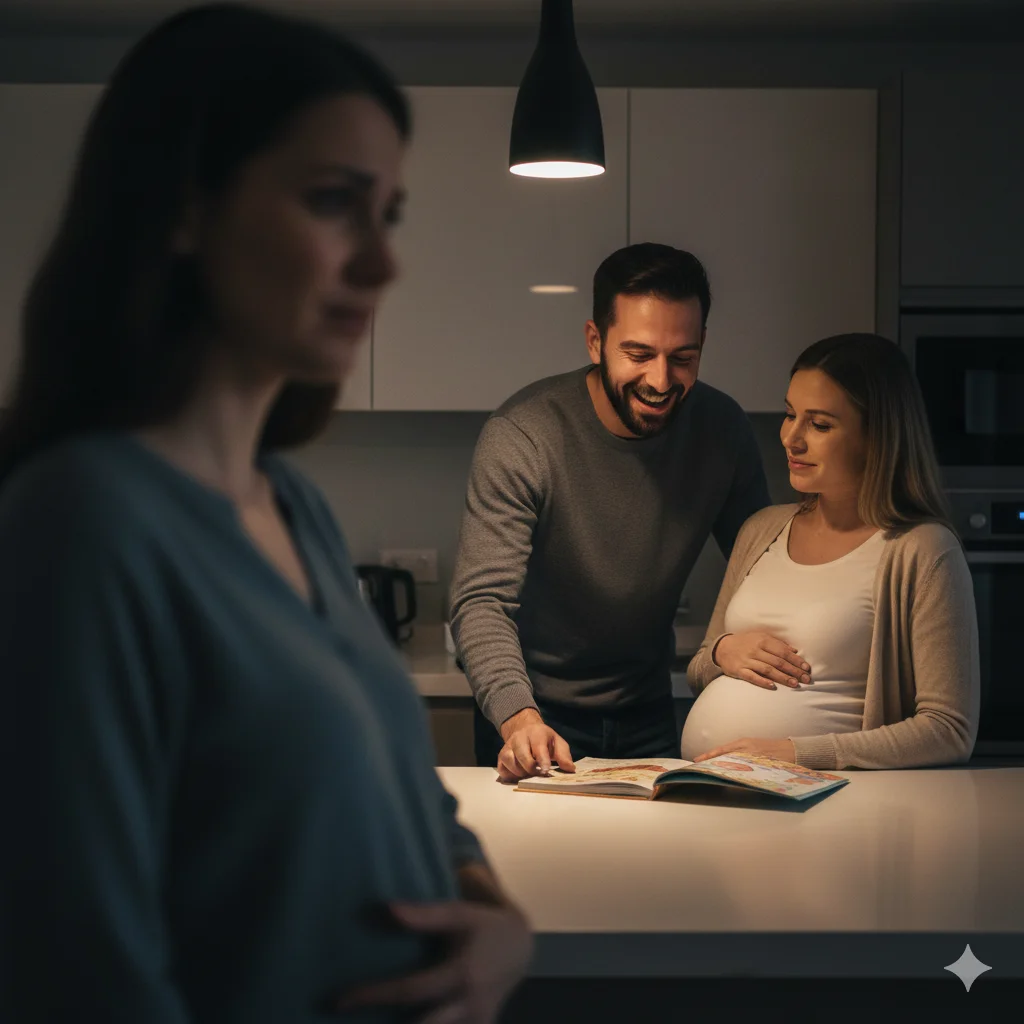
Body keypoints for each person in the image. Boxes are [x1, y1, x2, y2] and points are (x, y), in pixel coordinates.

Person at [0, 6, 530, 1022]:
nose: (383, 263)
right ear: (184, 208)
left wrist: (495, 919)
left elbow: (410, 801)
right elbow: (83, 973)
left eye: (391, 214)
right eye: (336, 203)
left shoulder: (292, 505)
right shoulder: (81, 525)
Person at [449, 243, 771, 781]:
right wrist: (517, 716)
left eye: (683, 358)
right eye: (639, 355)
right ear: (596, 341)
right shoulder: (524, 436)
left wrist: (724, 647)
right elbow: (481, 600)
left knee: (651, 864)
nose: (661, 381)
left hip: (648, 712)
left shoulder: (722, 431)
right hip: (532, 715)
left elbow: (767, 567)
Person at [682, 333, 980, 770]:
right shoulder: (762, 529)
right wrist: (722, 651)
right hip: (715, 792)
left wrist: (801, 752)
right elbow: (699, 668)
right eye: (789, 415)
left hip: (829, 805)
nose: (791, 439)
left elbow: (949, 730)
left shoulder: (921, 550)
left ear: (876, 436)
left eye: (819, 424)